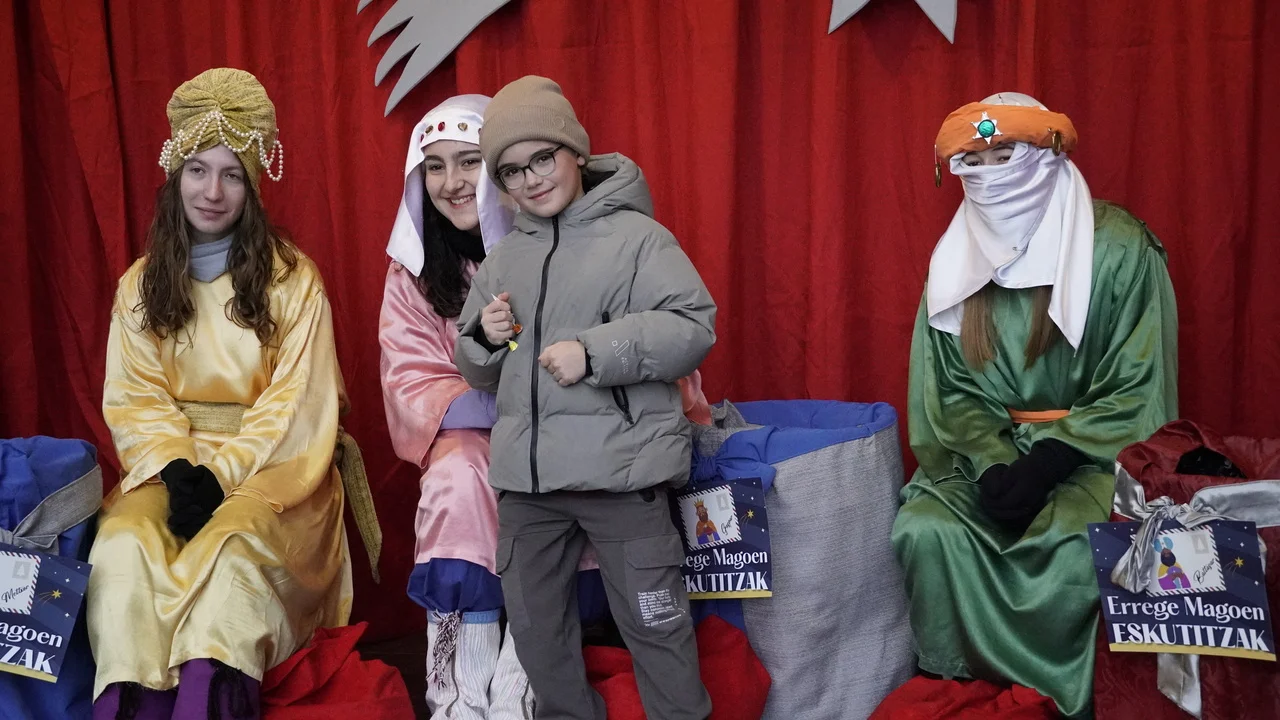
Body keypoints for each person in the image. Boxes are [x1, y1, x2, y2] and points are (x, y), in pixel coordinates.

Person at [891, 92, 1178, 717]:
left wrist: (1050, 460)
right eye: (973, 161)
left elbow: (1138, 386)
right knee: (926, 530)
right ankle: (960, 686)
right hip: (987, 455)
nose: (989, 174)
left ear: (1047, 154)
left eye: (1005, 155)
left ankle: (1070, 697)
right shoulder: (953, 264)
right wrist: (994, 461)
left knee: (1076, 544)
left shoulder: (1120, 248)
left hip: (1094, 457)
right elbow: (950, 390)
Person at [88, 68, 351, 720]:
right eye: (198, 171)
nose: (212, 192)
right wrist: (178, 469)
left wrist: (220, 475)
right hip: (168, 468)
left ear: (252, 185)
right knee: (123, 544)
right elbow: (136, 397)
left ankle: (209, 698)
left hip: (274, 473)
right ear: (175, 175)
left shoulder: (294, 281)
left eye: (232, 174)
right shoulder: (140, 285)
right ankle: (133, 703)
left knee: (230, 548)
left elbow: (295, 404)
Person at [454, 75, 716, 720]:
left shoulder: (639, 239)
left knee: (657, 626)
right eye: (511, 171)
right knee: (537, 635)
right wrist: (483, 339)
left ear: (575, 151)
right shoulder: (504, 259)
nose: (531, 179)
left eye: (542, 158)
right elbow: (477, 370)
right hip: (530, 486)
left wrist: (596, 353)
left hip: (622, 475)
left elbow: (692, 326)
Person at [377, 94, 533, 718]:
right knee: (457, 479)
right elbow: (412, 378)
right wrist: (503, 412)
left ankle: (518, 688)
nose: (451, 182)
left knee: (548, 481)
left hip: (562, 430)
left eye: (469, 161)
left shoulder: (546, 243)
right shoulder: (412, 272)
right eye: (434, 167)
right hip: (470, 434)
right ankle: (458, 695)